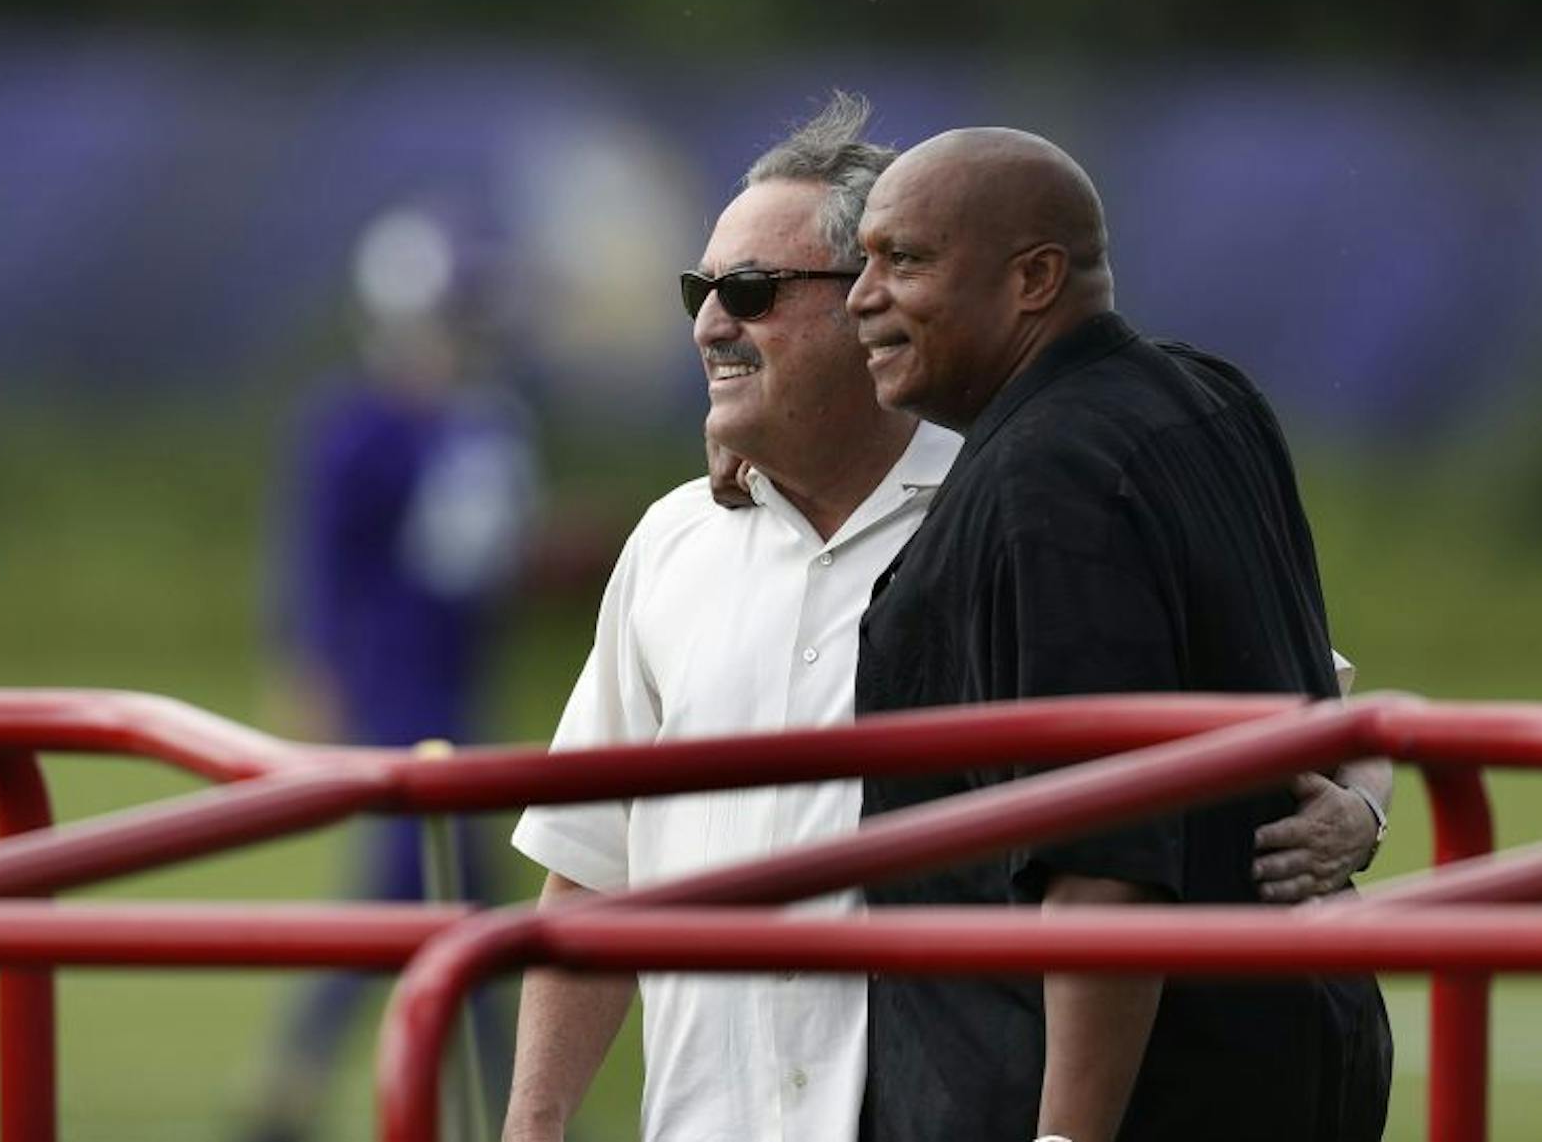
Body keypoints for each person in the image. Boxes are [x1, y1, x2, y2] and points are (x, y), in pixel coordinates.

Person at [504, 98, 1386, 1142]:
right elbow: (592, 867)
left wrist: (1358, 811)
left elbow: (1307, 712)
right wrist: (533, 1124)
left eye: (750, 291)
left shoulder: (1029, 488)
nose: (708, 324)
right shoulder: (673, 543)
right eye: (700, 291)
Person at [847, 128, 1393, 1142]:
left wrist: (1066, 1139)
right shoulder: (1210, 394)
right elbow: (1293, 692)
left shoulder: (1047, 478)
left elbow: (1106, 855)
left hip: (1139, 1093)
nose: (860, 294)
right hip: (1294, 1046)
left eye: (905, 259)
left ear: (1035, 278)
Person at [248, 206, 537, 1142]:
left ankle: (486, 1087)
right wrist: (312, 662)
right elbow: (320, 559)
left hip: (454, 680)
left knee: (447, 889)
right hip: (393, 682)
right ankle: (308, 1080)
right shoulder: (362, 425)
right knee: (426, 878)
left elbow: (485, 565)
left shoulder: (481, 422)